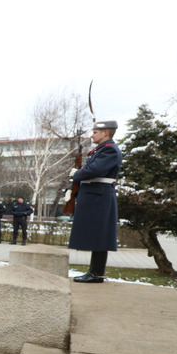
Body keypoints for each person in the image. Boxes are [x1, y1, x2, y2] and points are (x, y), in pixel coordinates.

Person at [69, 120, 123, 283]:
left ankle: (97, 274)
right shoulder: (100, 150)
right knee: (97, 234)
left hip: (99, 196)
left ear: (105, 133)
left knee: (100, 235)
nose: (92, 135)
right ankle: (95, 272)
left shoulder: (109, 151)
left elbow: (95, 170)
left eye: (95, 132)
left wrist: (76, 174)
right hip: (95, 194)